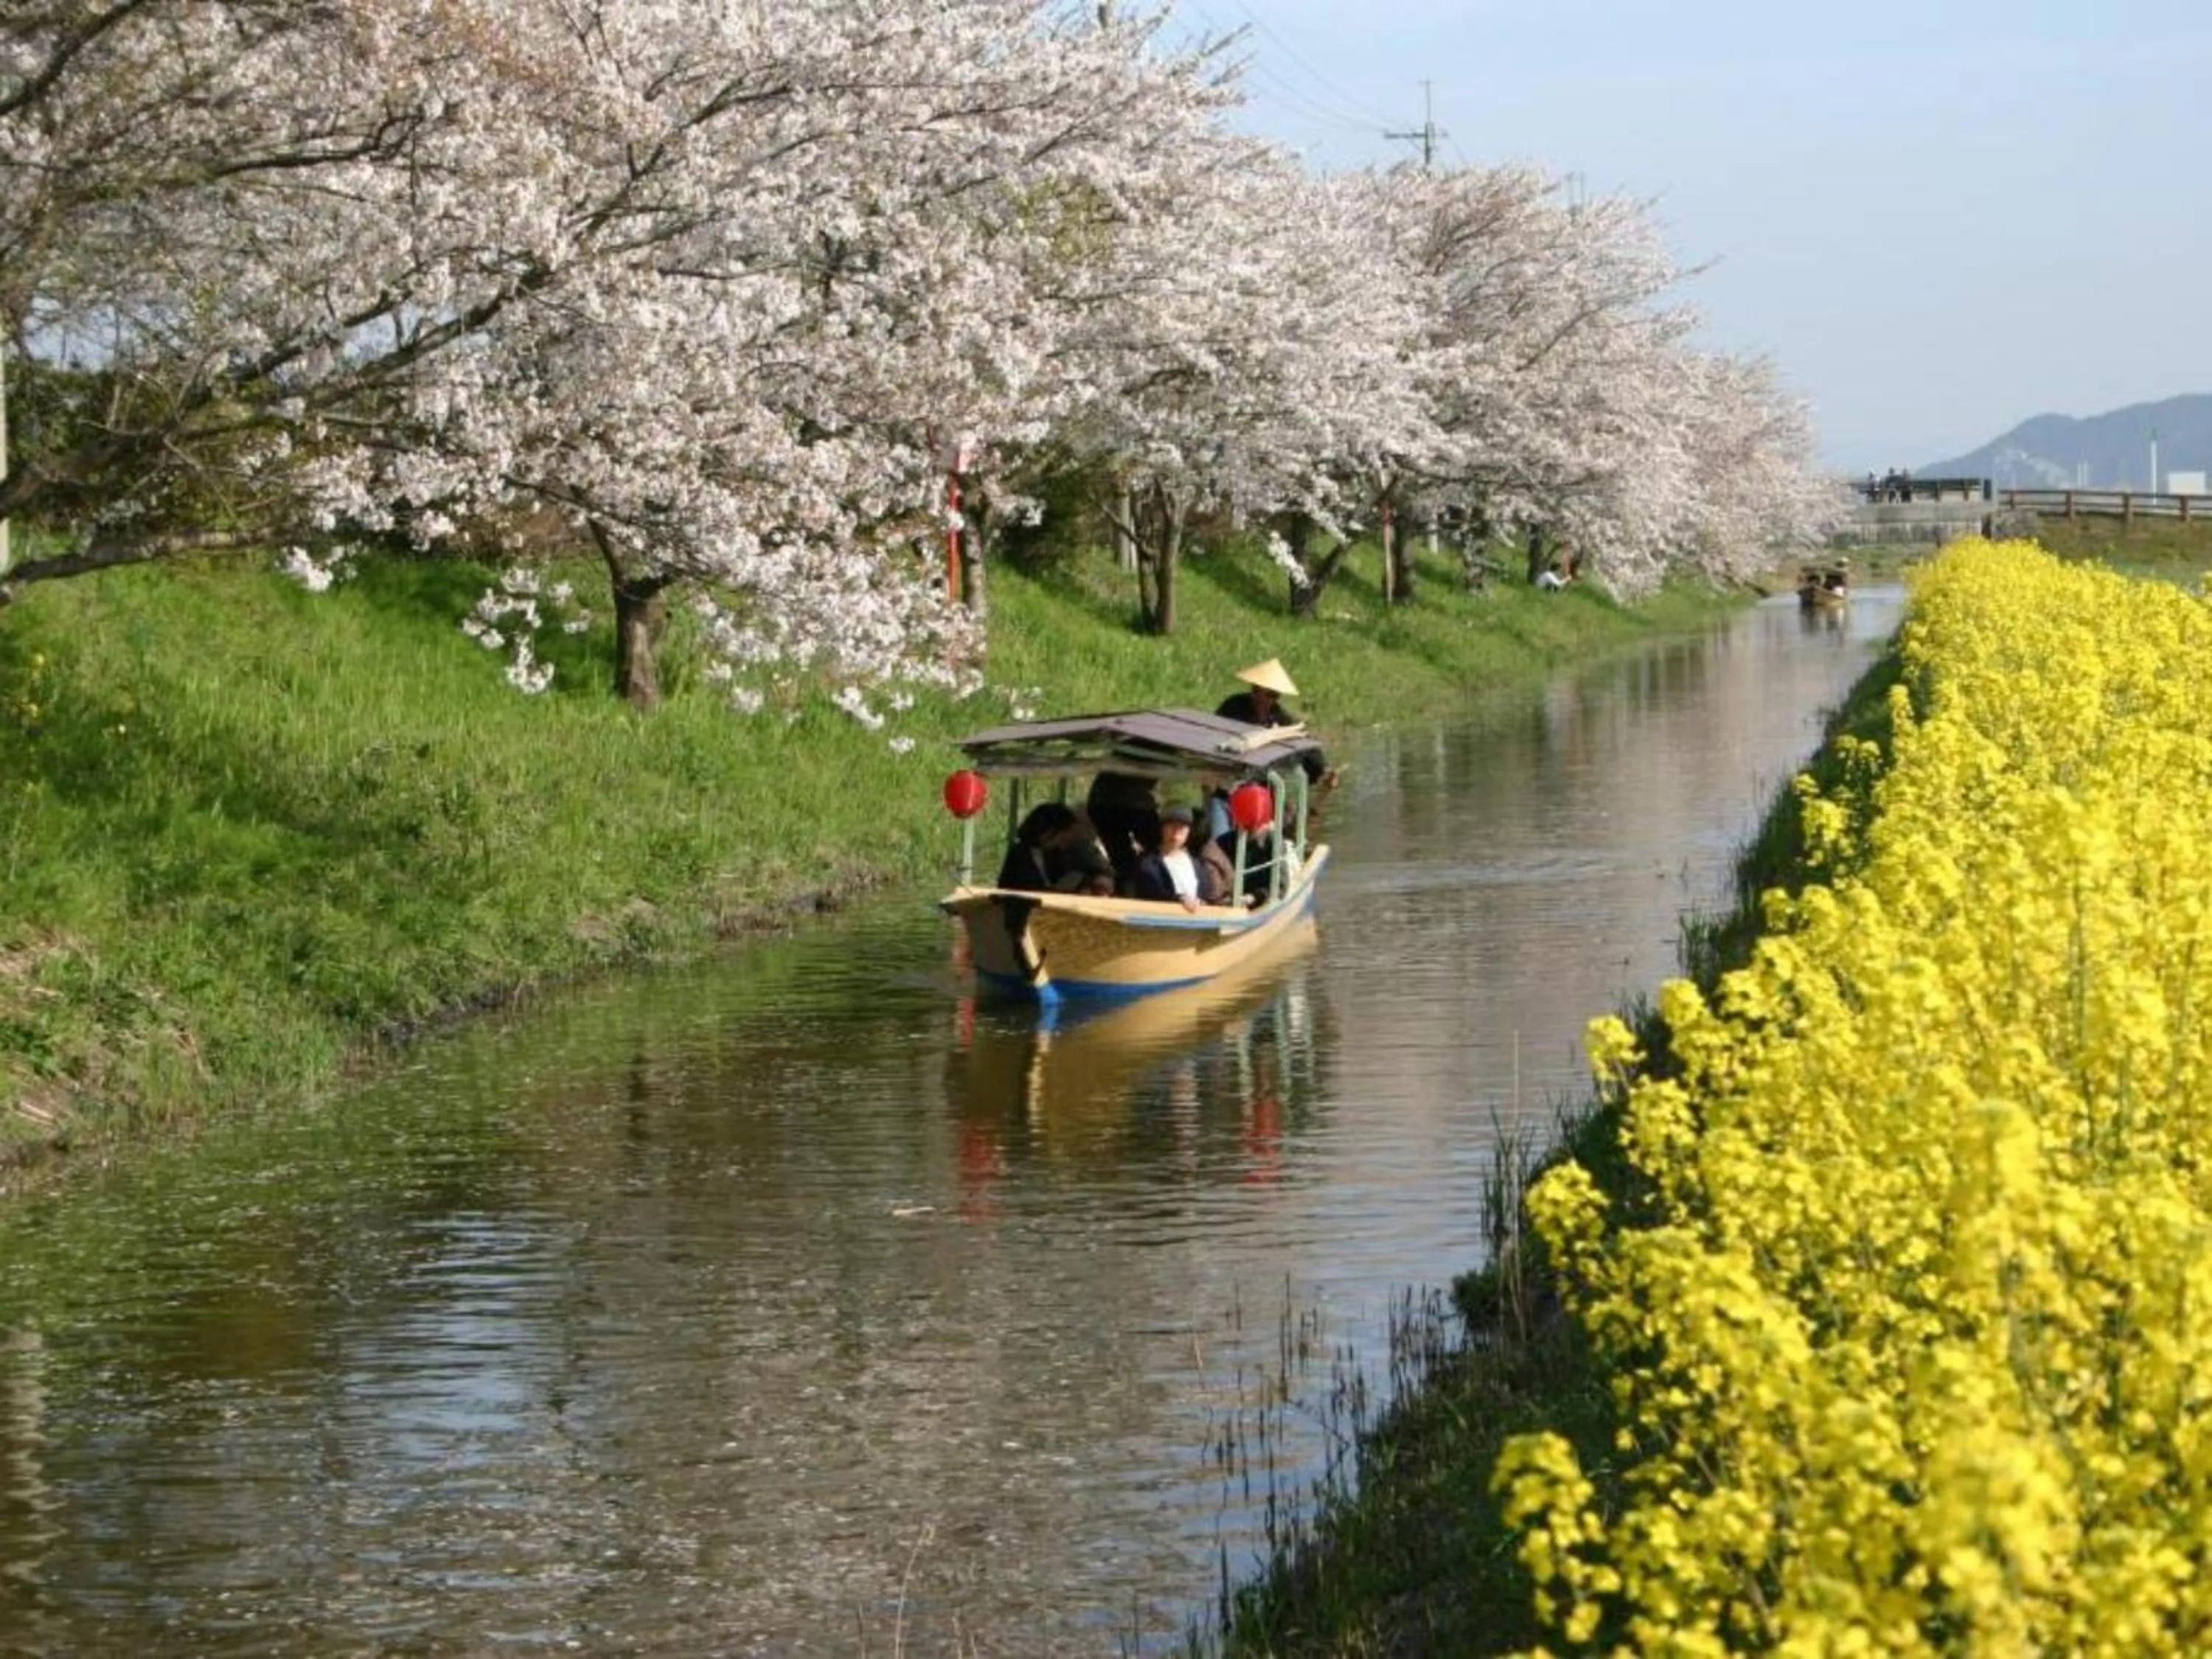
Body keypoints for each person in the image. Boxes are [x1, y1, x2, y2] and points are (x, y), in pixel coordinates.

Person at [1215, 658, 1331, 787]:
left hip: (1261, 780)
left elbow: (1305, 744)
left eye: (1273, 695)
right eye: (1259, 692)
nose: (1265, 700)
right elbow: (1214, 733)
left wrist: (1324, 771)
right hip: (1230, 773)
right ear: (1254, 690)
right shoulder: (1233, 706)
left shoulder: (1279, 717)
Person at [1130, 806, 1231, 911]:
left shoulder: (1199, 864)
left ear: (1189, 831)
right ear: (1162, 828)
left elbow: (1207, 896)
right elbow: (1154, 892)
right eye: (1171, 825)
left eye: (1182, 827)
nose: (1176, 832)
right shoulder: (1148, 863)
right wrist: (1181, 900)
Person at [1085, 769, 1159, 885]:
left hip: (1104, 804)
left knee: (1122, 856)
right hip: (1119, 805)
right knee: (1157, 846)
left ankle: (1129, 879)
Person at [996, 801, 1077, 891]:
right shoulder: (1019, 854)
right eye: (1061, 838)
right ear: (1048, 832)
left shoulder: (1055, 855)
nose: (1061, 843)